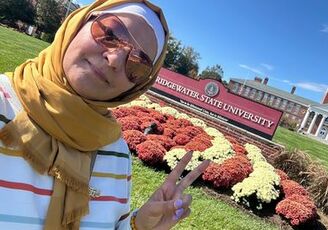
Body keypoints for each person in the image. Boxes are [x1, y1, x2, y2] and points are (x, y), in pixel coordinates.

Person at [0, 0, 210, 229]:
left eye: (137, 65)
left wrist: (138, 225)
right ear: (79, 23)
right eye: (109, 32)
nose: (115, 60)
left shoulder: (117, 153)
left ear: (137, 86)